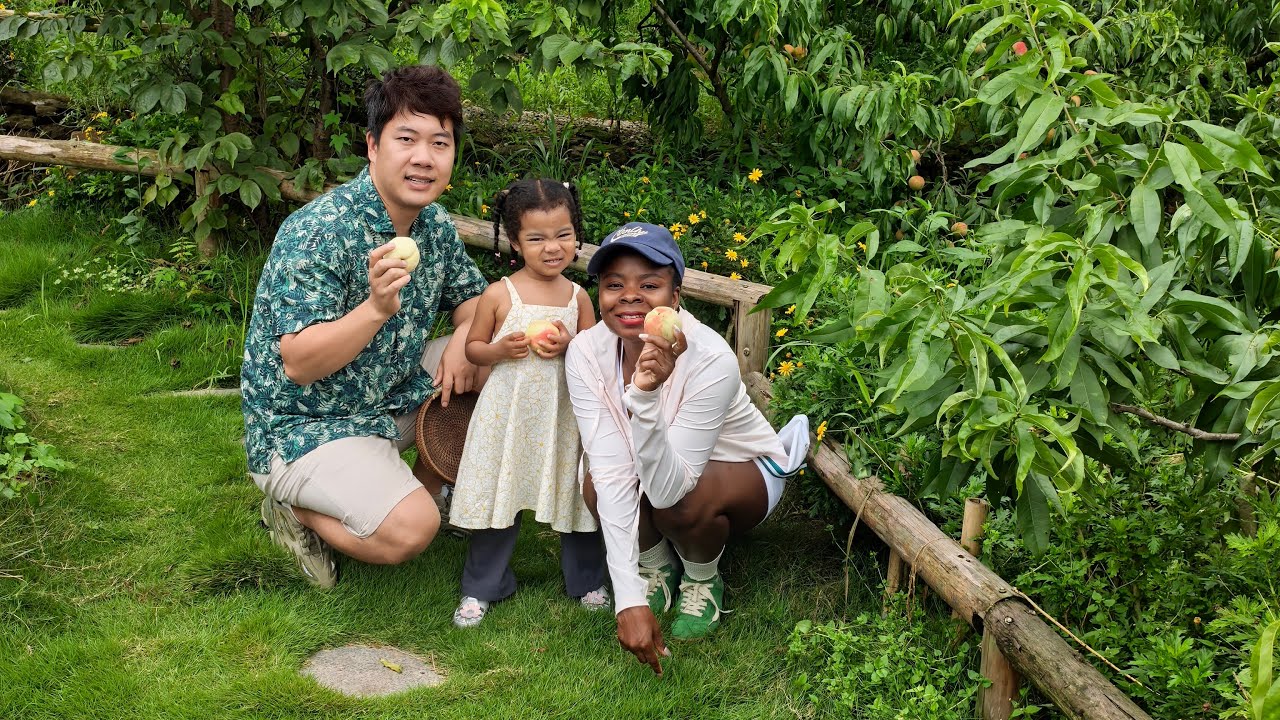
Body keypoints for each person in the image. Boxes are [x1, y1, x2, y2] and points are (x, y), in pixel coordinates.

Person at [241, 65, 487, 588]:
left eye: (439, 143)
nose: (423, 157)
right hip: (303, 423)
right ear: (373, 146)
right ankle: (289, 506)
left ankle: (432, 486)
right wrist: (376, 308)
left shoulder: (434, 226)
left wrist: (466, 343)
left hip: (383, 395)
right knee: (409, 532)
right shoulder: (319, 231)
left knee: (495, 360)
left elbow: (475, 301)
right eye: (406, 139)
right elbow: (300, 363)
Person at [564, 222, 809, 673]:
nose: (630, 296)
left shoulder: (711, 358)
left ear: (676, 296)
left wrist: (646, 396)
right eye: (614, 284)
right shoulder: (585, 352)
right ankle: (656, 567)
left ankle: (702, 577)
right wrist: (629, 598)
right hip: (663, 469)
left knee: (679, 505)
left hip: (741, 470)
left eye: (650, 284)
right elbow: (612, 469)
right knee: (597, 484)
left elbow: (667, 490)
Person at [447, 178, 608, 627]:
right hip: (510, 415)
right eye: (536, 238)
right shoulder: (500, 294)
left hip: (562, 415)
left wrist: (570, 343)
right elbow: (474, 348)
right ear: (515, 242)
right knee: (501, 494)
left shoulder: (578, 297)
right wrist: (499, 351)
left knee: (573, 494)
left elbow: (595, 352)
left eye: (563, 235)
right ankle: (483, 586)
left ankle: (586, 580)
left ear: (576, 234)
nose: (551, 247)